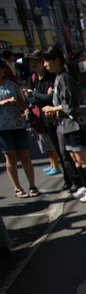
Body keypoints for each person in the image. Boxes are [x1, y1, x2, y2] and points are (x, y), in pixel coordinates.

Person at [42, 47, 86, 203]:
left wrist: (52, 109)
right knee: (75, 158)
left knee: (83, 157)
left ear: (56, 61)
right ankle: (85, 186)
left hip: (74, 123)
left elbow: (71, 105)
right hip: (65, 124)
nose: (45, 65)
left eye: (47, 61)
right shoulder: (59, 77)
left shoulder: (64, 78)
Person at [0, 58, 39, 199]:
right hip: (2, 128)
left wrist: (16, 102)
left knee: (25, 156)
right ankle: (17, 188)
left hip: (18, 125)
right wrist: (3, 102)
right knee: (10, 158)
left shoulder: (12, 85)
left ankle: (32, 185)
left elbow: (24, 104)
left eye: (1, 69)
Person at [23, 50, 62, 179]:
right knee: (44, 141)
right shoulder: (32, 77)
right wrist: (38, 96)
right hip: (38, 116)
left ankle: (56, 165)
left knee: (52, 141)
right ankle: (52, 164)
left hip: (50, 114)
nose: (32, 63)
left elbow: (50, 98)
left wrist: (35, 94)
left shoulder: (51, 77)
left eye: (36, 60)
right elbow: (30, 98)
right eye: (30, 60)